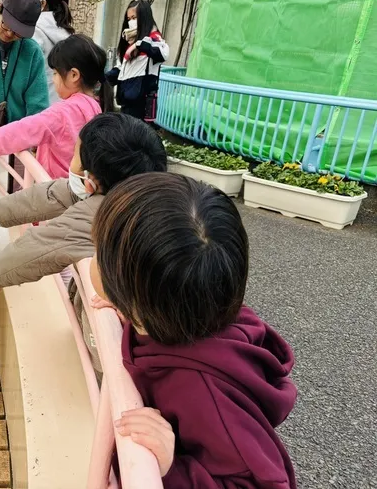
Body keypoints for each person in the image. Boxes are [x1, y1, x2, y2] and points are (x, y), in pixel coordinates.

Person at [90, 172, 297, 488]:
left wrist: (172, 469)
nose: (91, 258)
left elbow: (269, 482)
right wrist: (129, 311)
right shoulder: (189, 315)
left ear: (136, 294)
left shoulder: (204, 391)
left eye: (98, 253)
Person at [0, 114, 167, 378]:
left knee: (106, 357)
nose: (71, 161)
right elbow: (42, 198)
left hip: (133, 327)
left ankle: (104, 390)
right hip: (157, 314)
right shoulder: (136, 196)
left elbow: (42, 246)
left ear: (90, 179)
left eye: (75, 154)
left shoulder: (97, 215)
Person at [0, 34, 113, 179]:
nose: (53, 79)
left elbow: (20, 131)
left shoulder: (62, 113)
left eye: (55, 73)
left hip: (51, 195)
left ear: (74, 75)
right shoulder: (96, 108)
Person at [106, 0, 168, 122]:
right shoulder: (129, 43)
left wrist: (141, 45)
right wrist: (103, 78)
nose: (131, 22)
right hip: (125, 101)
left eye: (134, 17)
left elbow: (163, 54)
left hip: (141, 103)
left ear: (144, 17)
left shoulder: (153, 39)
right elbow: (120, 69)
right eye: (129, 19)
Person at [28, 0, 74, 105]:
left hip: (38, 104)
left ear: (42, 3)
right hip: (62, 102)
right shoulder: (65, 29)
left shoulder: (33, 30)